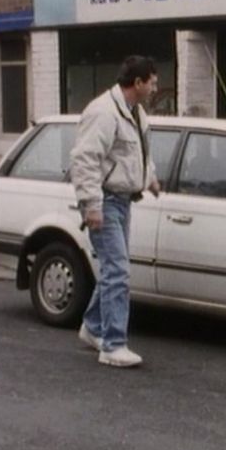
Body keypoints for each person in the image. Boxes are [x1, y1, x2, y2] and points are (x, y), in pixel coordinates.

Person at [70, 56, 160, 367]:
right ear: (138, 83)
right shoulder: (103, 113)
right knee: (117, 270)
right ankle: (113, 346)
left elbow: (138, 151)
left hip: (122, 201)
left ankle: (94, 328)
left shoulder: (135, 112)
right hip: (105, 201)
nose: (155, 87)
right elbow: (85, 160)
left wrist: (149, 178)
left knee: (113, 269)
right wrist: (92, 206)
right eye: (152, 81)